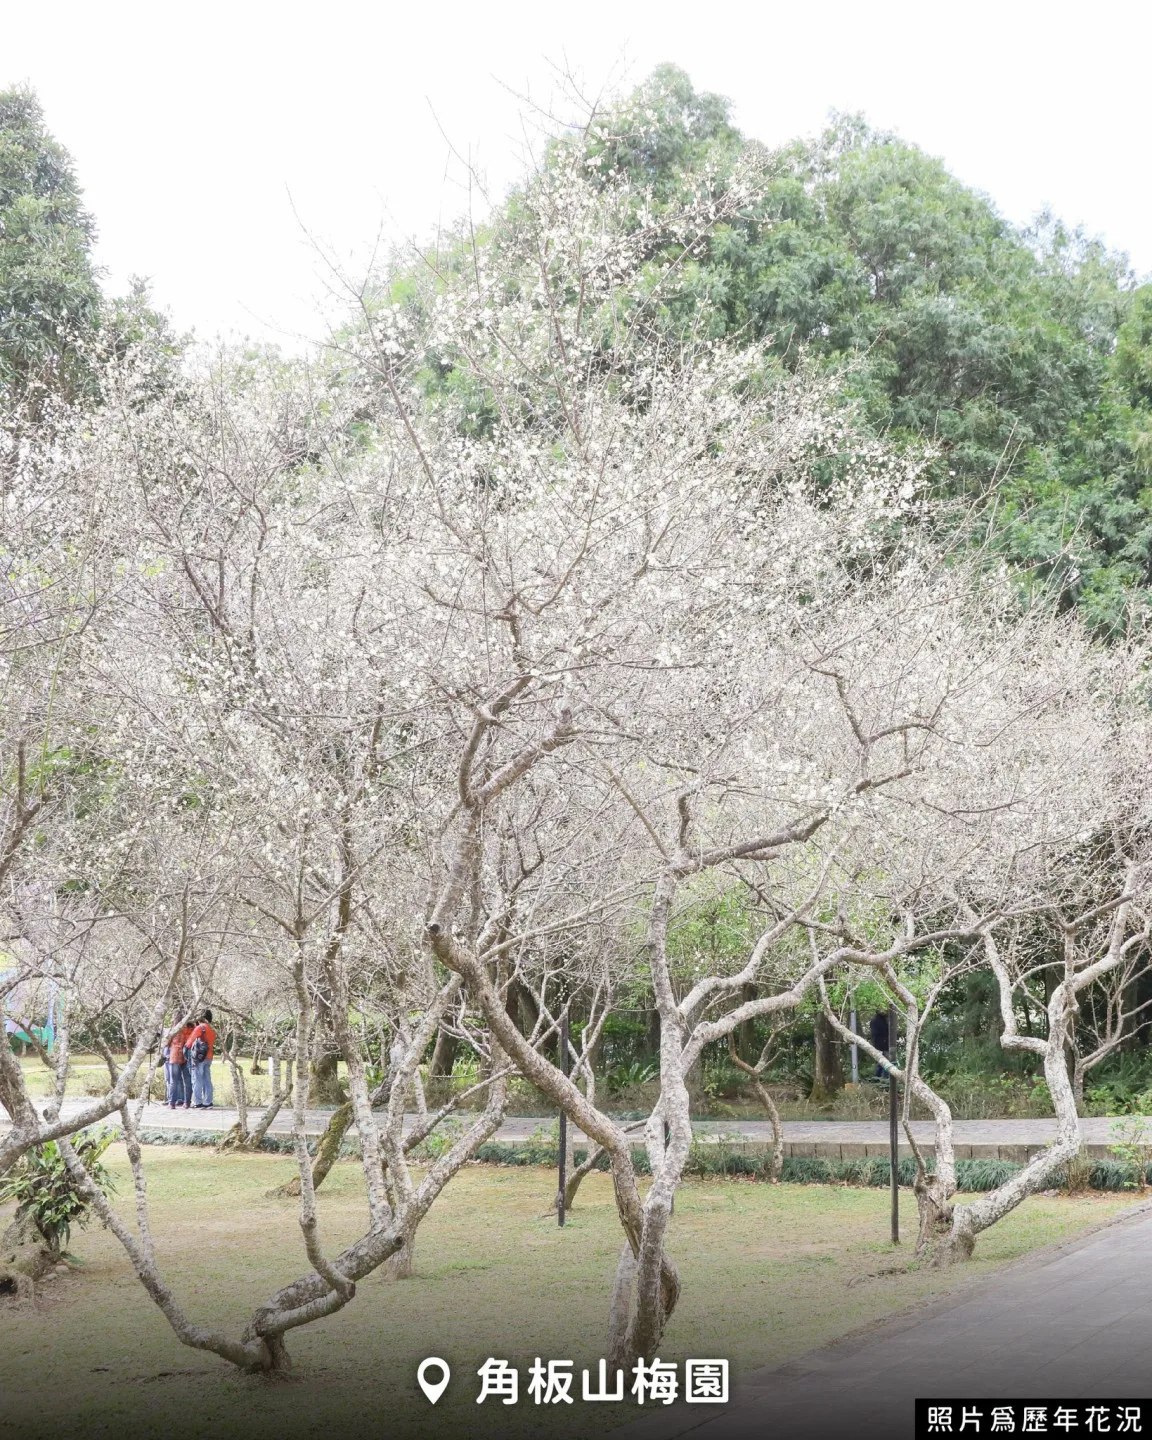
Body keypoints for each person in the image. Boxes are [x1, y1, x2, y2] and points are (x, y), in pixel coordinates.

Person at [186, 1009, 217, 1108]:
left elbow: (189, 1042)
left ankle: (197, 1101)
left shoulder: (200, 1028)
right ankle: (208, 1101)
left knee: (197, 1079)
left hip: (199, 1057)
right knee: (207, 1079)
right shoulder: (212, 1029)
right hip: (209, 1056)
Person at [165, 1019, 194, 1108]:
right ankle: (187, 1102)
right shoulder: (190, 1028)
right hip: (186, 1056)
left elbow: (166, 1043)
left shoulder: (173, 1030)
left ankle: (172, 1103)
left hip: (174, 1056)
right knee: (187, 1080)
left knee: (173, 1081)